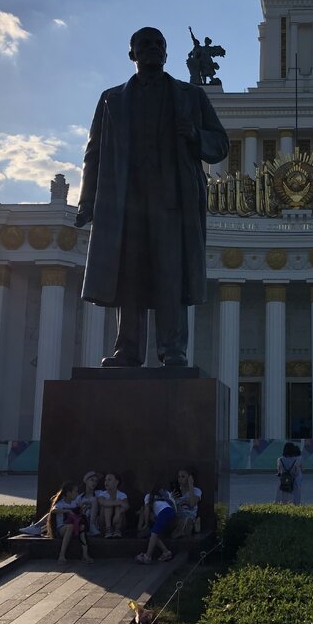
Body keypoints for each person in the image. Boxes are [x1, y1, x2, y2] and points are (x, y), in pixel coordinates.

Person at [75, 27, 229, 368]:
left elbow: (220, 144)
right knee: (128, 275)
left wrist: (195, 135)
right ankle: (127, 350)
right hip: (126, 202)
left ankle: (172, 349)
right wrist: (87, 201)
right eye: (145, 44)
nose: (154, 49)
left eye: (160, 44)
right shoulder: (111, 99)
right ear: (132, 53)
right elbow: (94, 152)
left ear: (167, 52)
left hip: (172, 202)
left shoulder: (191, 96)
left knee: (170, 276)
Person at [46, 482, 91, 564]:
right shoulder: (61, 503)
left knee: (82, 527)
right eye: (75, 492)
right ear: (68, 493)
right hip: (61, 529)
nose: (77, 494)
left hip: (75, 527)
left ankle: (85, 554)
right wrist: (66, 511)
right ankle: (62, 555)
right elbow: (53, 510)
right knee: (70, 527)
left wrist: (82, 509)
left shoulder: (75, 502)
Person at [136, 485, 176, 564]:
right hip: (170, 512)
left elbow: (147, 510)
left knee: (154, 533)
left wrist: (146, 524)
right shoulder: (165, 495)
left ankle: (147, 556)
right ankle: (166, 552)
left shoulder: (148, 496)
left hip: (164, 512)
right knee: (152, 534)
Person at [172, 467, 202, 537]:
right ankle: (183, 530)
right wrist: (171, 498)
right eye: (179, 477)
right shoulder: (176, 491)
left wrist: (191, 485)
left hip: (189, 516)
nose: (180, 479)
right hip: (178, 516)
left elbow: (192, 504)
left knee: (188, 521)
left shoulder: (196, 491)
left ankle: (189, 527)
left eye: (183, 477)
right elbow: (173, 507)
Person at [97, 472, 129, 537]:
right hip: (104, 523)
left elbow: (126, 506)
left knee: (118, 506)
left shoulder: (122, 495)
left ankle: (117, 530)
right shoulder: (102, 494)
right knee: (109, 503)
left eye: (109, 480)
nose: (106, 482)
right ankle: (108, 530)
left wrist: (118, 513)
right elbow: (103, 502)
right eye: (105, 480)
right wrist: (119, 502)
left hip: (119, 522)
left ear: (116, 482)